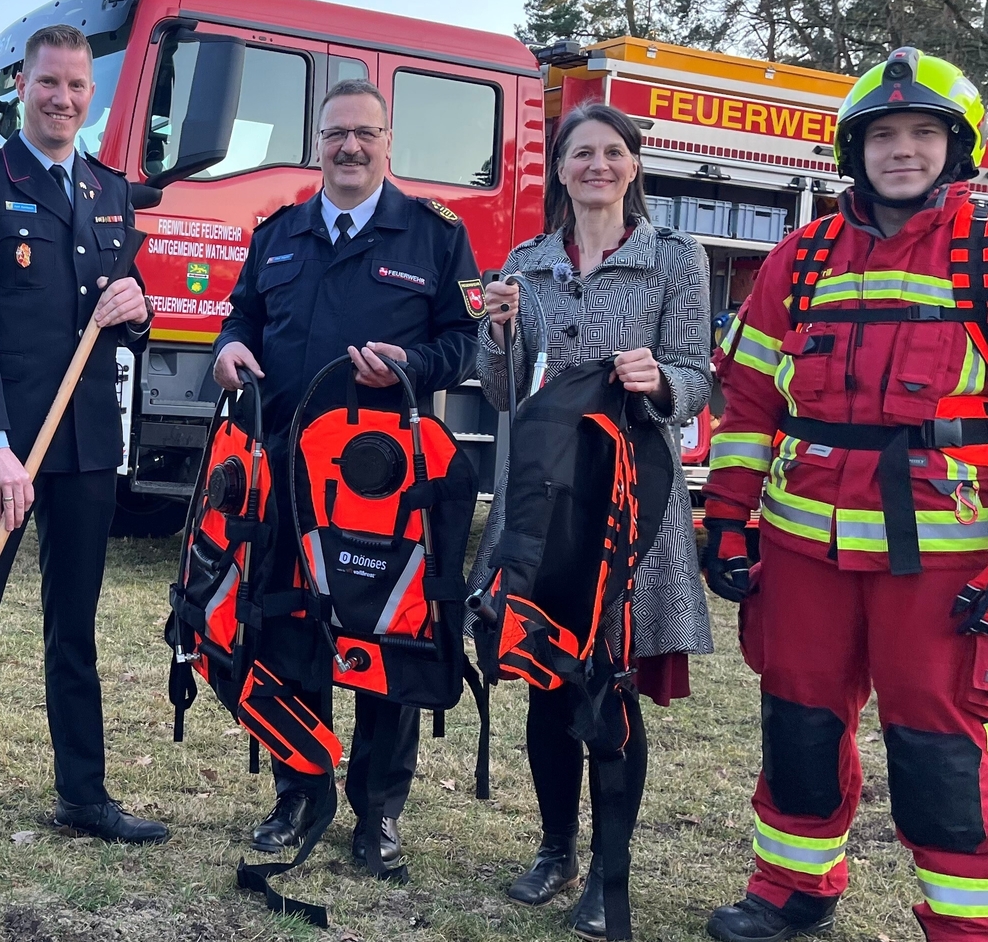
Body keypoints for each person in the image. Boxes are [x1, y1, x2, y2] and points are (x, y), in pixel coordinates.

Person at [703, 47, 988, 942]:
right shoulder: (804, 256)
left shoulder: (982, 254)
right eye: (885, 134)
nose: (902, 150)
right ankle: (793, 887)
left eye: (923, 132)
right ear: (853, 149)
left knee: (938, 742)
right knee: (799, 719)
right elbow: (749, 401)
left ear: (958, 145)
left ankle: (964, 921)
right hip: (802, 544)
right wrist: (728, 520)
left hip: (943, 555)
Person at [213, 78, 481, 866]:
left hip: (383, 488)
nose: (350, 147)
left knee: (385, 641)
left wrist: (409, 364)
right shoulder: (280, 230)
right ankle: (299, 798)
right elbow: (243, 316)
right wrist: (228, 348)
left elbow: (464, 344)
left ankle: (377, 815)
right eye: (336, 134)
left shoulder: (434, 235)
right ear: (318, 143)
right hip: (287, 478)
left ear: (388, 142)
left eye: (365, 133)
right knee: (289, 633)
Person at [472, 102, 712, 940]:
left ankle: (611, 877)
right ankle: (554, 848)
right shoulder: (526, 262)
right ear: (562, 169)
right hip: (542, 498)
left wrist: (660, 379)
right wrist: (497, 333)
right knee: (545, 671)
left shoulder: (677, 258)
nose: (597, 165)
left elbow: (696, 375)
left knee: (609, 686)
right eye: (582, 153)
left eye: (613, 152)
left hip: (627, 499)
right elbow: (501, 390)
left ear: (634, 165)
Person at [0, 25, 163, 843]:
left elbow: (131, 310)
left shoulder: (108, 189)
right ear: (21, 86)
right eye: (48, 82)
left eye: (77, 85)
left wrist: (138, 308)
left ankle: (83, 797)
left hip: (84, 445)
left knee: (76, 626)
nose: (63, 98)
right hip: (4, 447)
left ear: (91, 95)